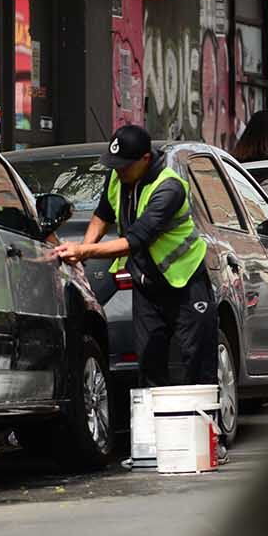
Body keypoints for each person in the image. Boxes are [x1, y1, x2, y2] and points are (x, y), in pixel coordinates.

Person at [52, 125, 217, 393]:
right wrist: (83, 250)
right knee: (149, 363)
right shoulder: (118, 178)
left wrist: (83, 252)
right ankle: (156, 429)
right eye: (114, 165)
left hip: (185, 282)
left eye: (125, 166)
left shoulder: (169, 188)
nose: (118, 170)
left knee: (196, 361)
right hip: (147, 286)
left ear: (145, 159)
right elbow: (102, 216)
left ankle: (207, 427)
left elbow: (136, 240)